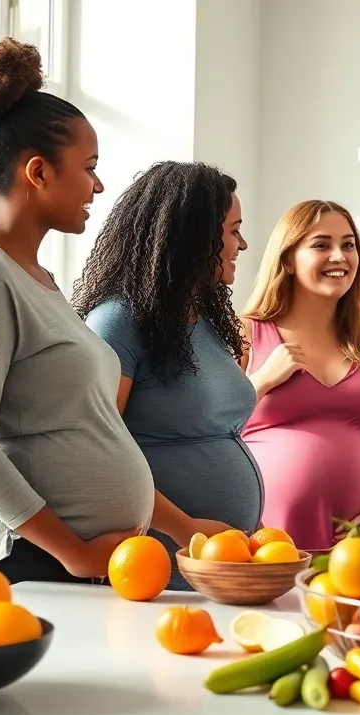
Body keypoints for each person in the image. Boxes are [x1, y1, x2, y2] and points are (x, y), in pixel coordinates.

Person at [0, 39, 153, 583]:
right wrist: (72, 551)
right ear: (38, 172)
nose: (98, 186)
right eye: (89, 168)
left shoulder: (38, 281)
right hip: (22, 562)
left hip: (69, 564)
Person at [74, 161, 257, 589]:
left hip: (213, 560)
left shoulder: (203, 320)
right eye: (233, 230)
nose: (242, 244)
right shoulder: (116, 324)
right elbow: (96, 455)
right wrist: (183, 526)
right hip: (156, 562)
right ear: (193, 237)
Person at [239, 200, 360, 551]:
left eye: (348, 245)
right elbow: (210, 431)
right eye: (321, 245)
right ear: (288, 258)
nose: (339, 256)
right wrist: (263, 380)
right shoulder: (244, 334)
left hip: (354, 551)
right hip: (261, 544)